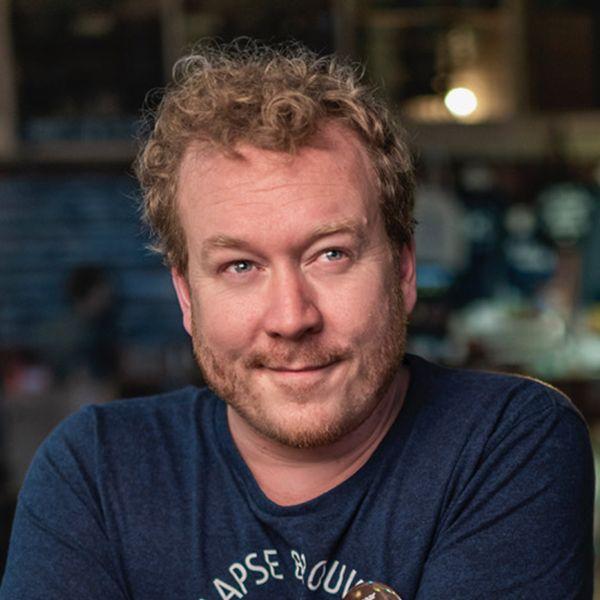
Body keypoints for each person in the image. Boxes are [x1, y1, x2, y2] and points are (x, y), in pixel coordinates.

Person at [0, 40, 593, 599]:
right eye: (239, 266)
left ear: (404, 270)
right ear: (186, 296)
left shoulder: (507, 443)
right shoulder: (96, 472)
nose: (291, 318)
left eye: (331, 255)